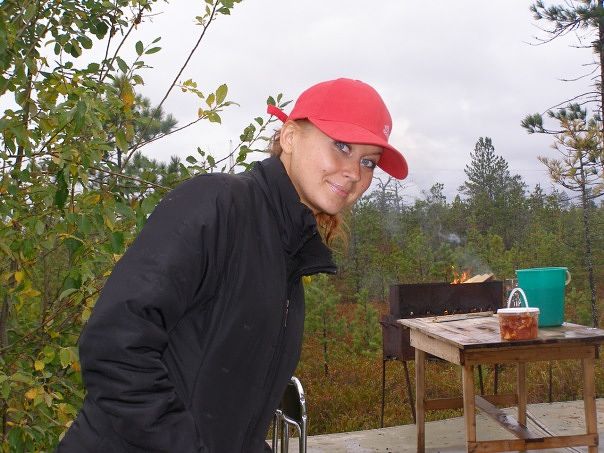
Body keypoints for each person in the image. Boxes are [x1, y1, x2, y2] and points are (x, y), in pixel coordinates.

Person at [56, 78, 408, 453]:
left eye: (367, 161)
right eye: (341, 146)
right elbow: (114, 345)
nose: (355, 172)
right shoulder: (218, 204)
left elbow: (232, 409)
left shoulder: (287, 250)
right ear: (289, 137)